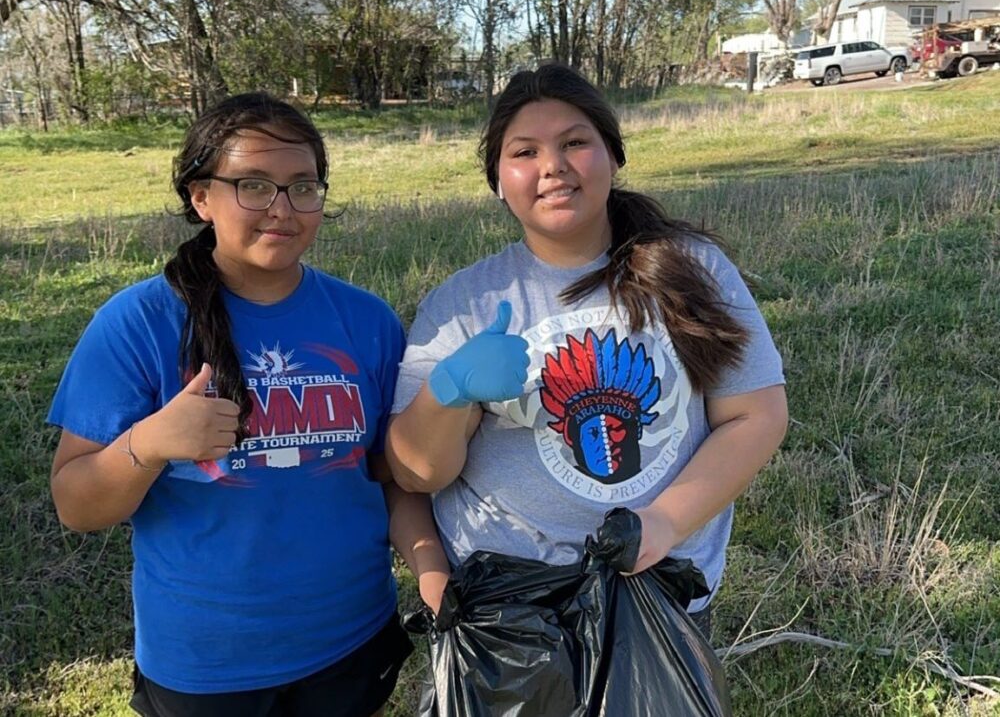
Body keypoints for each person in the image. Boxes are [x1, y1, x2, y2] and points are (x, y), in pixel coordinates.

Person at [47, 93, 449, 717]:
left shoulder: (366, 320)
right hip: (206, 664)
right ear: (201, 197)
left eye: (303, 187)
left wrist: (430, 571)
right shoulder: (138, 323)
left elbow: (388, 473)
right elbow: (76, 505)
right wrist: (148, 444)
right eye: (253, 185)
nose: (282, 209)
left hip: (352, 638)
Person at [387, 64, 788, 642]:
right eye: (525, 152)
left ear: (613, 157)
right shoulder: (463, 304)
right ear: (498, 180)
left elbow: (756, 415)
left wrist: (662, 522)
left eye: (575, 142)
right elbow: (415, 473)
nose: (552, 166)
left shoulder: (692, 268)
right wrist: (447, 391)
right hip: (508, 607)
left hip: (659, 587)